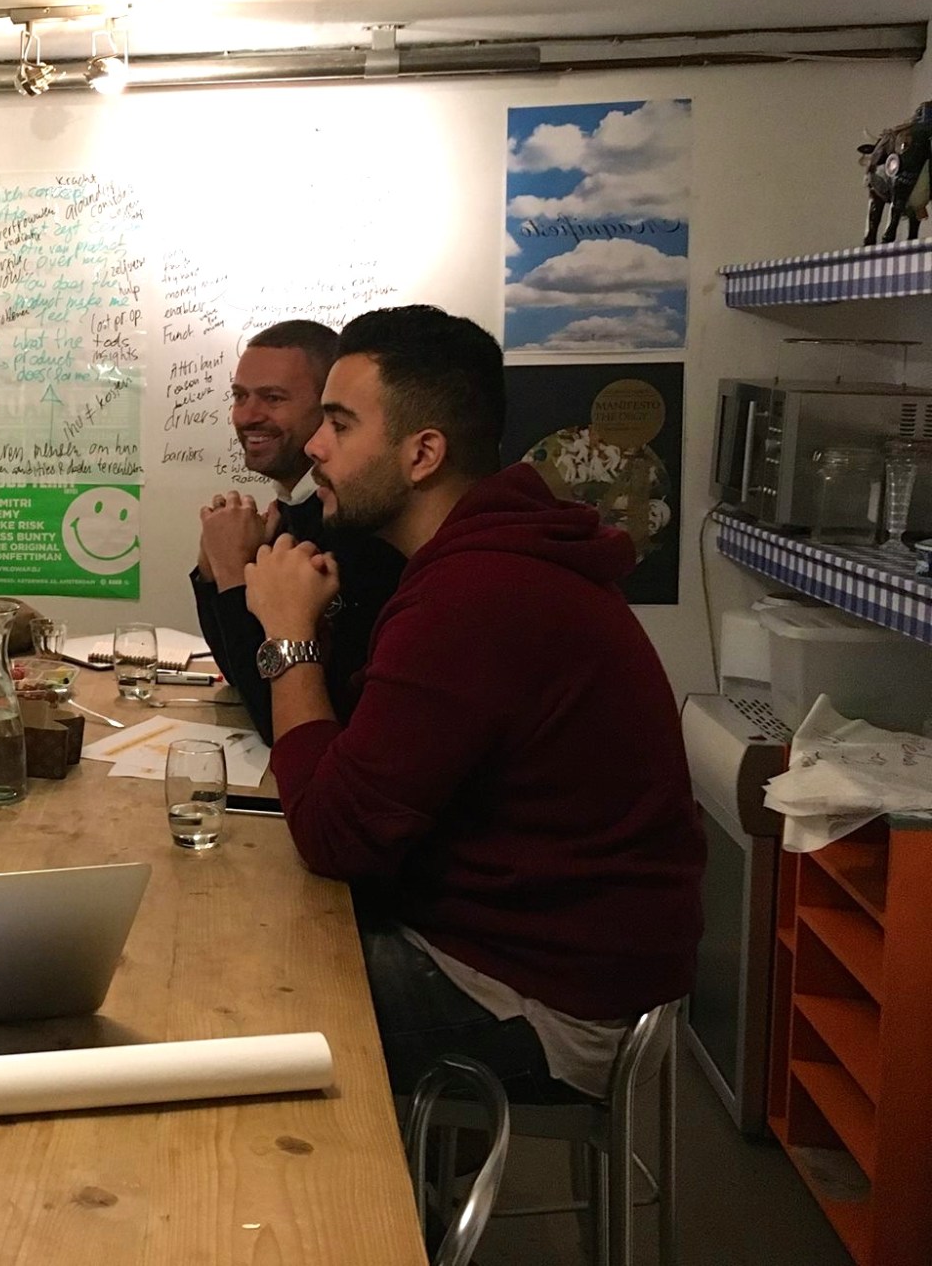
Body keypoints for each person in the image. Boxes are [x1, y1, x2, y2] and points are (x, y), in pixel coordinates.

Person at [242, 305, 705, 1102]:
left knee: (230, 991)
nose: (314, 446)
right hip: (538, 959)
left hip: (547, 1007)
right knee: (251, 925)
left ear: (422, 454)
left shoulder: (475, 595)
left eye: (340, 425)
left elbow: (332, 836)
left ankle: (373, 1190)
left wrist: (289, 637)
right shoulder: (479, 563)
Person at [190, 320, 405, 737]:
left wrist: (233, 573)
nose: (248, 416)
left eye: (273, 398)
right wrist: (214, 570)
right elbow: (242, 674)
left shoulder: (361, 526)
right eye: (240, 396)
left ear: (328, 408)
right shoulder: (289, 512)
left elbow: (280, 722)